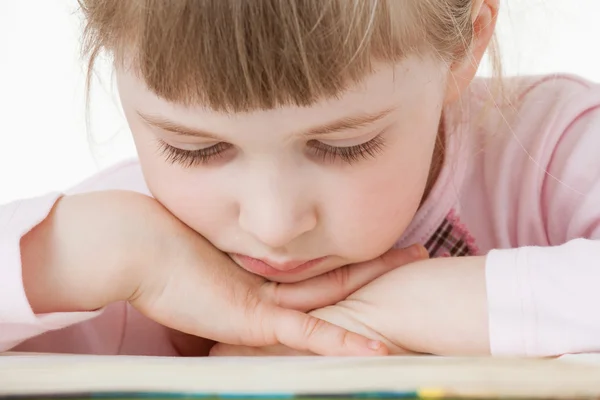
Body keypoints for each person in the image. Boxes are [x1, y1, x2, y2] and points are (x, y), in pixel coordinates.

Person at [3, 0, 600, 359]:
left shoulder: (548, 147)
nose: (273, 224)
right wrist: (81, 252)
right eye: (197, 148)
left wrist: (394, 309)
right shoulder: (120, 265)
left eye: (344, 145)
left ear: (465, 45)